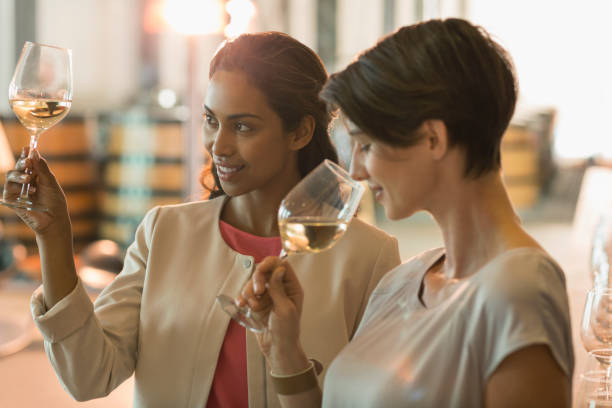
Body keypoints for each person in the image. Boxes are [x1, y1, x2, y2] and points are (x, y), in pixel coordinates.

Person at [2, 32, 400, 407]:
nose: (218, 146)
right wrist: (54, 236)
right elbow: (88, 376)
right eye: (211, 120)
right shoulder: (163, 233)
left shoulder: (369, 258)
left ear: (300, 132)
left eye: (242, 126)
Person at [239, 19, 574, 407]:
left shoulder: (519, 289)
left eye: (366, 144)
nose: (356, 171)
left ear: (434, 138)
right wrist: (285, 350)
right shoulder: (401, 282)